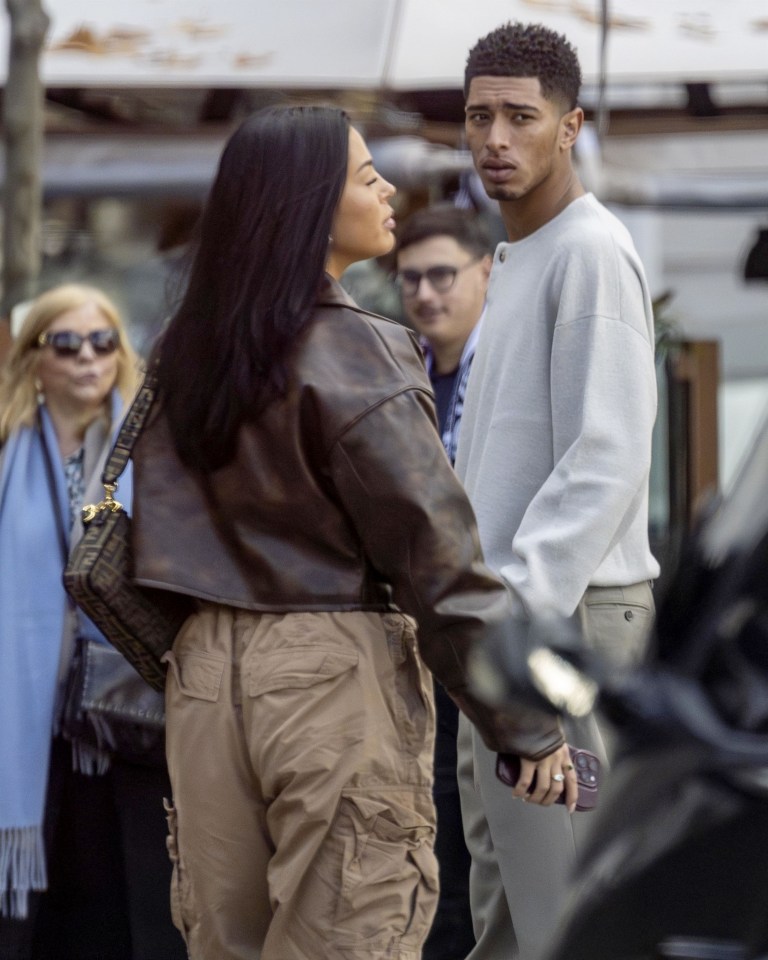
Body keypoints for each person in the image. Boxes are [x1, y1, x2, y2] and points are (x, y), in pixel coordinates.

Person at [129, 103, 579, 960]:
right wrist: (524, 724)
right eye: (365, 176)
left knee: (227, 944)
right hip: (326, 670)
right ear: (304, 206)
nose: (386, 189)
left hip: (200, 674)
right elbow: (436, 556)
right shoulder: (356, 350)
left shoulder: (187, 347)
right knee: (350, 936)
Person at [455, 21, 661, 960]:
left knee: (569, 924)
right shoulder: (517, 257)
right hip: (510, 628)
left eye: (520, 118)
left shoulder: (588, 251)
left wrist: (513, 618)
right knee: (508, 914)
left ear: (571, 124)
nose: (496, 138)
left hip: (563, 625)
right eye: (478, 117)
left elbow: (604, 461)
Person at [0, 284, 186, 960]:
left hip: (127, 711)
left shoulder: (155, 448)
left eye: (102, 341)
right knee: (42, 925)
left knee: (133, 907)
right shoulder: (5, 450)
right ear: (34, 358)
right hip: (26, 722)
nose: (88, 357)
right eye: (67, 343)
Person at [394, 204, 492, 960]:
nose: (426, 293)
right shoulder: (399, 371)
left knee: (480, 837)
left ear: (486, 272)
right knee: (426, 828)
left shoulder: (505, 369)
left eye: (442, 274)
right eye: (409, 279)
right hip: (416, 640)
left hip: (491, 631)